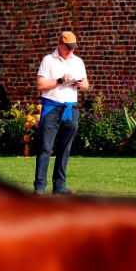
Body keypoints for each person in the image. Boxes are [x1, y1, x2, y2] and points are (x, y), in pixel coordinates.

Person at [34, 31, 90, 195]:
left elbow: (86, 84)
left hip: (71, 109)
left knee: (65, 149)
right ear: (60, 45)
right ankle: (39, 187)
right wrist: (59, 80)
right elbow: (40, 85)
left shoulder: (78, 62)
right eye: (68, 48)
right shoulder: (48, 60)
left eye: (73, 48)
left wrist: (79, 83)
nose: (71, 51)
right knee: (45, 148)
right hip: (52, 108)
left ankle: (59, 186)